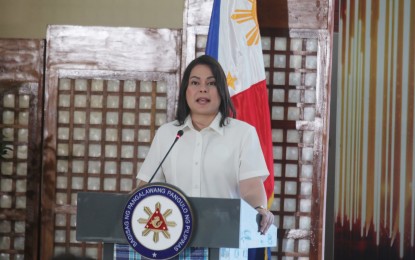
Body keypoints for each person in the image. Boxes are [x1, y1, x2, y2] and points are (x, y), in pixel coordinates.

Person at [135, 54, 274, 235]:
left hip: (224, 235)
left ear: (221, 90)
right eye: (195, 83)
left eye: (211, 83)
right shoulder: (167, 134)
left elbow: (251, 189)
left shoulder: (243, 133)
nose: (203, 89)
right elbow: (145, 188)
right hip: (172, 237)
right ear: (185, 90)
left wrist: (259, 208)